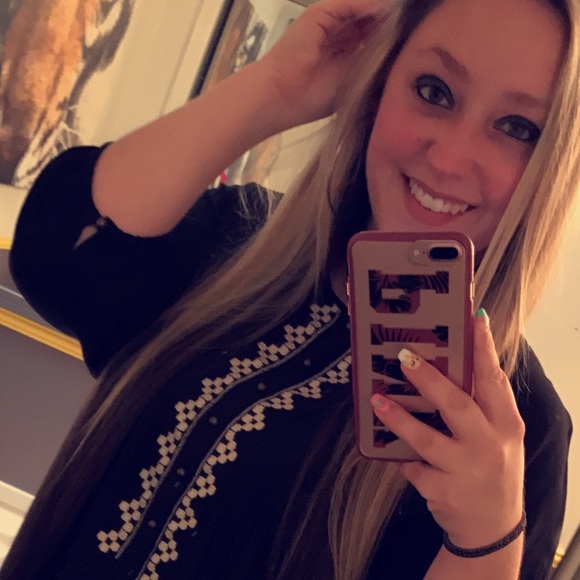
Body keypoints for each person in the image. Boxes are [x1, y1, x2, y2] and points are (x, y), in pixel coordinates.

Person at [2, 0, 577, 577]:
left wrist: (484, 540)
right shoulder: (233, 240)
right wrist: (276, 89)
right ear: (380, 85)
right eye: (434, 90)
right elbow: (55, 255)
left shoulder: (524, 433)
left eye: (518, 128)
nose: (450, 158)